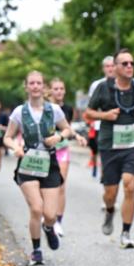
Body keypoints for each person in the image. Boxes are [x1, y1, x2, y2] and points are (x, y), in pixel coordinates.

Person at [3, 71, 86, 266]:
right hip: (28, 163)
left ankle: (49, 228)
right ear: (26, 87)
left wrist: (58, 137)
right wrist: (15, 147)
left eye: (38, 83)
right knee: (36, 208)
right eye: (31, 83)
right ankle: (36, 251)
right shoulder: (19, 112)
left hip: (49, 164)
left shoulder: (54, 110)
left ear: (44, 87)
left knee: (50, 214)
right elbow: (7, 137)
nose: (35, 86)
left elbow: (67, 129)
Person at [85, 48, 134, 247]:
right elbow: (88, 113)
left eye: (132, 63)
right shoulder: (103, 88)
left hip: (131, 145)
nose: (130, 66)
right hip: (109, 146)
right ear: (115, 67)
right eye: (125, 63)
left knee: (130, 185)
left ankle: (126, 233)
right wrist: (104, 115)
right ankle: (109, 211)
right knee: (110, 193)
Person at [50, 78, 76, 235]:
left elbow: (68, 128)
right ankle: (48, 215)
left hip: (62, 150)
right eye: (56, 89)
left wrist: (77, 136)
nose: (59, 91)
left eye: (61, 88)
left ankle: (58, 222)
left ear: (64, 91)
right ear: (50, 91)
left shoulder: (68, 109)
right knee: (47, 186)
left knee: (60, 185)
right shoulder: (46, 108)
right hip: (47, 151)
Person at [85, 56, 114, 179]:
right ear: (103, 68)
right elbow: (91, 107)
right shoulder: (97, 85)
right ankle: (104, 176)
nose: (110, 69)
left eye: (112, 66)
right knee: (102, 152)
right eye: (107, 66)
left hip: (117, 126)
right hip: (99, 125)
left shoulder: (123, 83)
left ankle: (109, 175)